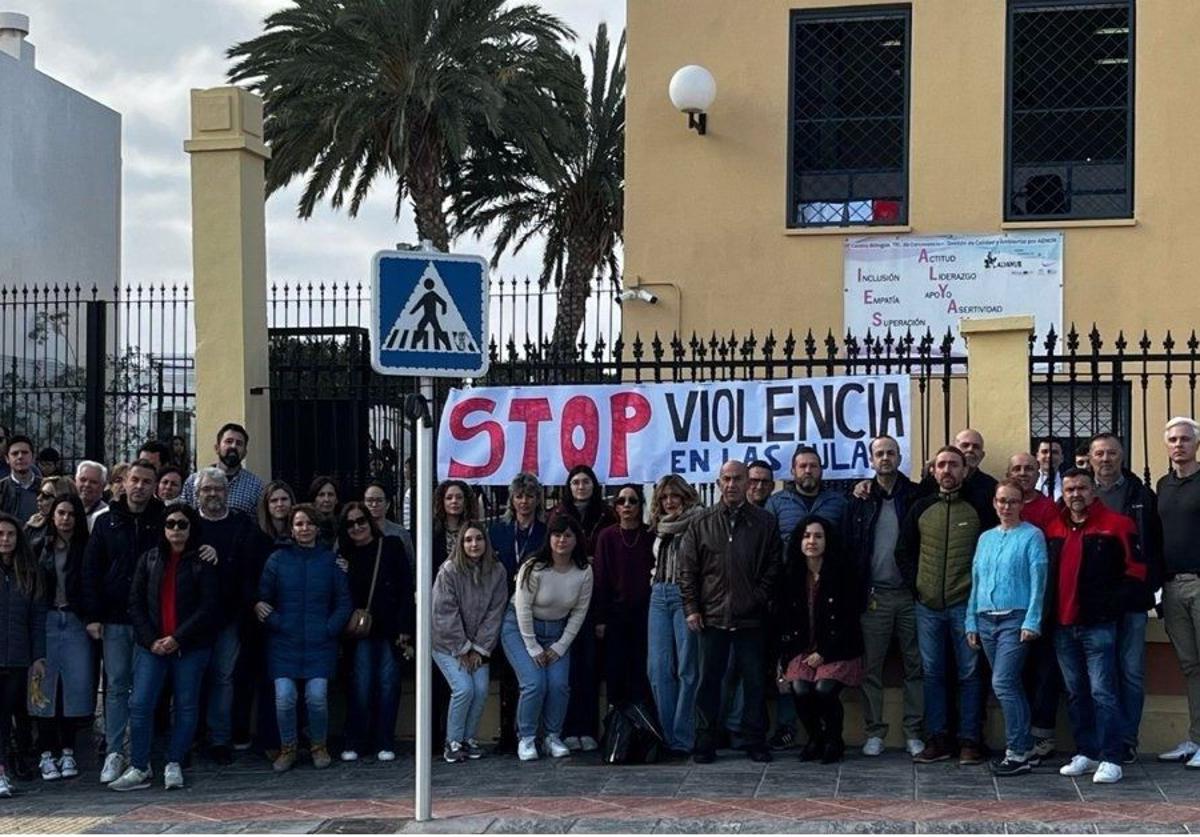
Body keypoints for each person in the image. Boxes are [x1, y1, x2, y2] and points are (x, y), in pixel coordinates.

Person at [108, 504, 221, 792]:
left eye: (182, 524)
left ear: (192, 527)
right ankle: (140, 765)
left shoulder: (202, 561)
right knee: (140, 703)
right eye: (170, 524)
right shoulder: (150, 559)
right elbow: (135, 603)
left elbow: (209, 607)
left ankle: (175, 762)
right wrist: (151, 640)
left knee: (185, 706)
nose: (176, 530)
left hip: (190, 647)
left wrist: (178, 638)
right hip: (153, 647)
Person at [1045, 468, 1145, 785]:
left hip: (1098, 624)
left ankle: (1111, 757)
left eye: (1082, 488)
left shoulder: (1118, 525)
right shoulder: (1054, 527)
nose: (1076, 494)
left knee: (1104, 692)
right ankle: (1086, 752)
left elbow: (1136, 571)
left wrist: (1109, 607)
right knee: (1076, 693)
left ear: (1093, 491)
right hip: (1062, 625)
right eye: (1070, 488)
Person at [679, 459, 782, 764]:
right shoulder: (701, 523)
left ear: (748, 483)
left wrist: (757, 598)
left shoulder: (764, 522)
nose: (732, 484)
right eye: (727, 478)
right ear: (718, 482)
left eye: (738, 479)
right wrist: (692, 608)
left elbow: (774, 566)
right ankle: (705, 741)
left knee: (753, 683)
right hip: (712, 617)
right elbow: (689, 570)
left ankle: (754, 741)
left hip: (751, 618)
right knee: (708, 682)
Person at [897, 446, 988, 765]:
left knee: (969, 673)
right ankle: (937, 739)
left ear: (965, 470)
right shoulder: (921, 506)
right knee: (933, 673)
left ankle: (970, 741)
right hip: (928, 607)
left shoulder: (979, 507)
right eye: (941, 465)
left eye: (954, 465)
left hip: (966, 605)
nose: (947, 470)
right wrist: (918, 587)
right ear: (933, 471)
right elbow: (904, 552)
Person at [81, 459, 166, 783]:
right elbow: (91, 570)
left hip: (150, 620)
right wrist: (93, 615)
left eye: (147, 481)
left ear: (154, 486)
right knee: (115, 687)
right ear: (124, 482)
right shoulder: (106, 522)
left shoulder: (163, 521)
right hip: (114, 618)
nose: (140, 486)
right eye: (135, 480)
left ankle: (141, 753)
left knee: (145, 690)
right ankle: (115, 752)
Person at [845, 435, 924, 758]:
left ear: (899, 456)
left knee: (915, 666)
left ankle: (913, 731)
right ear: (871, 459)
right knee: (871, 668)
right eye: (880, 453)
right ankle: (875, 731)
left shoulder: (917, 495)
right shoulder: (860, 499)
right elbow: (850, 545)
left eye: (891, 452)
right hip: (874, 595)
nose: (886, 458)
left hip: (909, 595)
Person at [256, 504, 351, 772]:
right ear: (291, 529)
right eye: (299, 524)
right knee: (285, 697)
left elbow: (343, 603)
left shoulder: (331, 561)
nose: (304, 529)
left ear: (317, 528)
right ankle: (288, 748)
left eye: (309, 523)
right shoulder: (276, 560)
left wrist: (329, 629)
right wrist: (278, 622)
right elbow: (263, 600)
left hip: (320, 644)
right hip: (284, 643)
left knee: (316, 697)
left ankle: (318, 746)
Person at [964, 480, 1048, 777]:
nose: (1006, 507)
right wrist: (971, 620)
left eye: (1012, 501)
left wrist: (1032, 619)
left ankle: (1017, 751)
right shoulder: (985, 538)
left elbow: (1039, 581)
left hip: (1015, 618)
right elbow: (976, 581)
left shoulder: (1032, 536)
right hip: (985, 618)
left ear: (1022, 504)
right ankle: (1025, 746)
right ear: (994, 503)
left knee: (1003, 683)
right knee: (1008, 685)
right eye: (1001, 501)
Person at [1089, 432, 1163, 763]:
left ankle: (1127, 740)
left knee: (1130, 672)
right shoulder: (1079, 495)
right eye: (1100, 453)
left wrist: (1150, 587)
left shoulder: (1141, 495)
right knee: (1098, 677)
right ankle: (1101, 740)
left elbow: (1155, 546)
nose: (1106, 459)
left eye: (1112, 453)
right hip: (1094, 602)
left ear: (1122, 456)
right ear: (1090, 458)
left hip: (1132, 598)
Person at [500, 514, 593, 761]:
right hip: (519, 629)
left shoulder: (584, 572)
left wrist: (561, 646)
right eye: (557, 534)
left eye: (568, 535)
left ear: (576, 540)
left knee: (559, 685)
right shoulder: (533, 567)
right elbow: (522, 608)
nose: (562, 540)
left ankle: (552, 735)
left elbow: (579, 612)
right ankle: (527, 738)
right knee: (534, 683)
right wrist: (532, 646)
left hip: (557, 632)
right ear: (549, 538)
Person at [776, 515, 863, 763]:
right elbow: (785, 621)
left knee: (824, 689)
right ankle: (816, 737)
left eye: (817, 536)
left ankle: (835, 740)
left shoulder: (843, 573)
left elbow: (849, 621)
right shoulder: (791, 573)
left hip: (838, 649)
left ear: (827, 540)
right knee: (800, 689)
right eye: (806, 536)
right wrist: (785, 659)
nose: (811, 541)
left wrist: (824, 652)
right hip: (802, 649)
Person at [193, 468, 262, 765]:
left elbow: (249, 568)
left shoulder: (242, 525)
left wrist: (221, 562)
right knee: (192, 679)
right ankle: (192, 737)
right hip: (192, 619)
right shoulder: (188, 524)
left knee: (223, 678)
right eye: (206, 489)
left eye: (217, 489)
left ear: (227, 493)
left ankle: (220, 739)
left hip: (229, 615)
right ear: (197, 494)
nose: (212, 494)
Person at [337, 502, 413, 763]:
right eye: (350, 523)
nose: (357, 526)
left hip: (390, 629)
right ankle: (356, 740)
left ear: (370, 521)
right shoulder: (343, 556)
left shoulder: (391, 546)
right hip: (360, 633)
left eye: (361, 520)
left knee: (388, 684)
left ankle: (384, 740)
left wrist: (405, 626)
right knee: (361, 685)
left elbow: (406, 587)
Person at [549, 465, 615, 752]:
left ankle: (586, 728)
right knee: (565, 670)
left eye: (585, 481)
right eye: (575, 482)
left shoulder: (607, 514)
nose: (580, 486)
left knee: (588, 667)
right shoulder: (558, 515)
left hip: (594, 598)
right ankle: (564, 729)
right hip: (563, 598)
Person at [433, 523, 508, 763]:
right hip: (446, 644)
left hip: (479, 645)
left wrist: (478, 649)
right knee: (464, 688)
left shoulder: (497, 571)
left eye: (478, 539)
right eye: (467, 540)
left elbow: (495, 612)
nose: (473, 544)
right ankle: (452, 742)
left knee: (481, 689)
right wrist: (462, 648)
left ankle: (468, 739)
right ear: (461, 544)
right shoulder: (448, 571)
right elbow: (444, 613)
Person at [32, 495, 95, 783]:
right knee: (43, 687)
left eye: (71, 513)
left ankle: (68, 750)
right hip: (46, 619)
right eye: (60, 513)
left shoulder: (87, 549)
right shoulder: (39, 547)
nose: (66, 519)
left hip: (75, 621)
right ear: (52, 516)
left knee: (74, 687)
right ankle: (46, 753)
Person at [1005, 452, 1060, 758]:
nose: (1023, 473)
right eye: (1017, 468)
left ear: (1039, 472)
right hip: (1006, 607)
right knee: (1015, 675)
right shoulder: (1001, 506)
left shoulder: (1048, 509)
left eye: (1029, 468)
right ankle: (1020, 734)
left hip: (1040, 605)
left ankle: (1043, 736)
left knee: (1043, 673)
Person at [487, 473, 547, 753]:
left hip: (534, 610)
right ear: (512, 499)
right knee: (507, 675)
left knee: (529, 673)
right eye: (520, 496)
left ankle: (532, 732)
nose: (524, 502)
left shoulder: (545, 532)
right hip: (501, 607)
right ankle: (506, 732)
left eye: (530, 496)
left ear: (538, 499)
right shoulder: (497, 530)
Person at [647, 474, 705, 757]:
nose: (669, 502)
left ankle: (683, 737)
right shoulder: (660, 527)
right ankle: (666, 735)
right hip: (659, 594)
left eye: (674, 496)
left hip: (685, 597)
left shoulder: (699, 522)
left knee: (687, 669)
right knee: (658, 669)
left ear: (685, 496)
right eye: (664, 497)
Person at [1155, 417, 1200, 768]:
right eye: (1172, 439)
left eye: (1184, 439)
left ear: (1196, 444)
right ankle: (1196, 738)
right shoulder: (1162, 485)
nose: (1178, 445)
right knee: (1190, 666)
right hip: (1171, 586)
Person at [593, 484, 655, 707]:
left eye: (632, 500)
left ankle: (643, 729)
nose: (627, 505)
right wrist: (600, 618)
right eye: (621, 501)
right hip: (615, 616)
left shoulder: (651, 535)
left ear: (641, 505)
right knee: (616, 671)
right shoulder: (606, 536)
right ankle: (617, 730)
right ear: (615, 506)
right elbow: (600, 578)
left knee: (642, 672)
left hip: (646, 615)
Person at [0, 513, 46, 798]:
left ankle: (7, 766)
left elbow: (38, 619)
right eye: (0, 534)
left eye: (10, 534)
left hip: (17, 657)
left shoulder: (29, 572)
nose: (5, 539)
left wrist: (38, 656)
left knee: (10, 716)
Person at [181, 423, 265, 516]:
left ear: (245, 452)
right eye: (228, 441)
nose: (233, 446)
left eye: (239, 443)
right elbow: (183, 516)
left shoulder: (256, 487)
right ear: (217, 448)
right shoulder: (193, 481)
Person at [363, 480, 415, 559]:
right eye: (369, 500)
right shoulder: (357, 532)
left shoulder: (400, 533)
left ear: (387, 504)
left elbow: (410, 563)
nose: (374, 505)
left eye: (379, 501)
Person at [26, 476, 77, 556]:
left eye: (45, 496)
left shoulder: (78, 529)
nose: (38, 498)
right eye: (39, 493)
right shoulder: (32, 524)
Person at [0, 435, 40, 522]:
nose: (20, 457)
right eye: (15, 453)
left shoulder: (46, 487)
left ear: (33, 457)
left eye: (25, 452)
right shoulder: (1, 488)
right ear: (7, 459)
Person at [307, 476, 340, 547]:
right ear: (314, 500)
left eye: (330, 495)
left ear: (336, 499)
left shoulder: (343, 525)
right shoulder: (306, 526)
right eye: (321, 495)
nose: (326, 499)